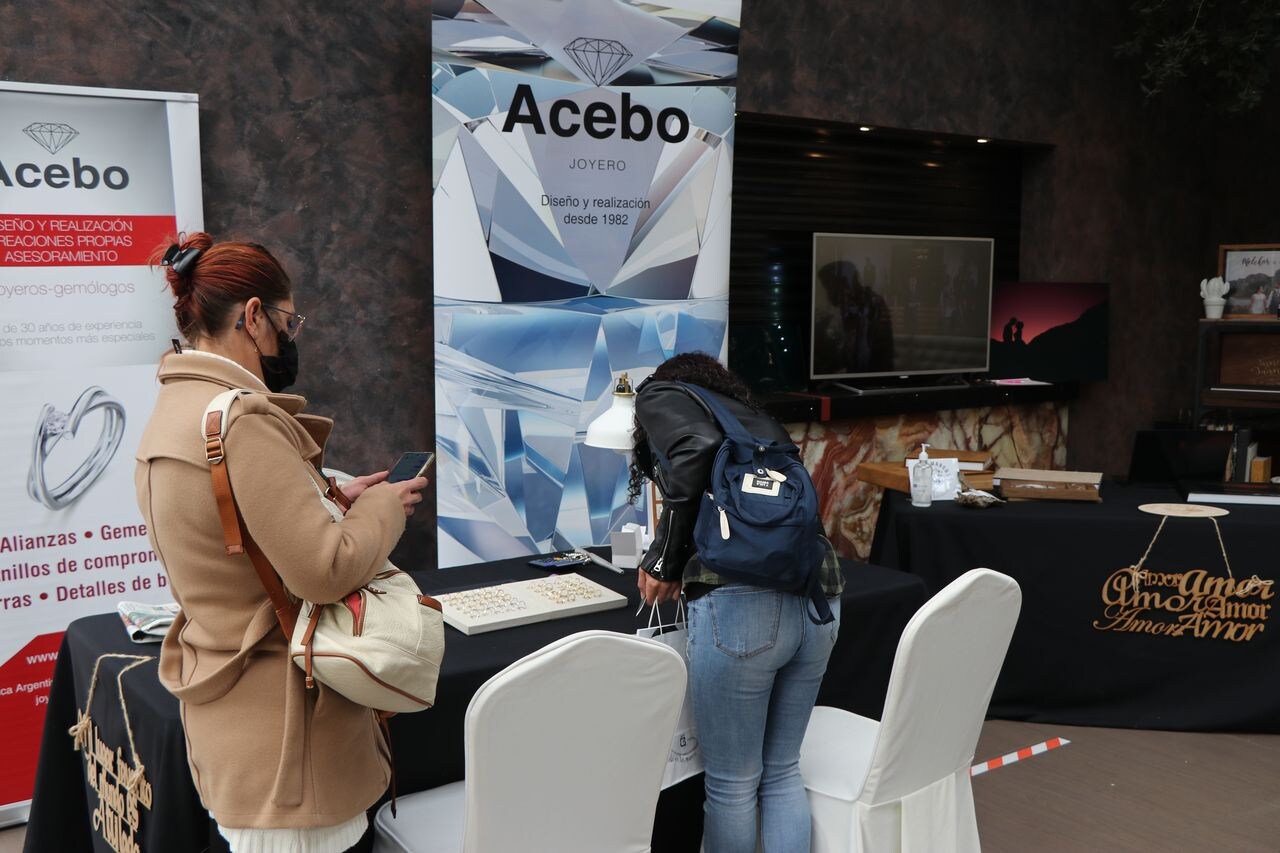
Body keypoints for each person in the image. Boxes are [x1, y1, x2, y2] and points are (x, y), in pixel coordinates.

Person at [134, 233, 428, 853]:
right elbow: (325, 570)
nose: (290, 337)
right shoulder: (240, 420)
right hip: (292, 745)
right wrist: (379, 508)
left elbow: (239, 539)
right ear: (251, 316)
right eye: (287, 321)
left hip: (233, 731)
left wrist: (330, 502)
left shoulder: (173, 408)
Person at [628, 352, 844, 853]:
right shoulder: (753, 417)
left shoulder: (660, 395)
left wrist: (664, 558)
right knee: (782, 771)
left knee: (732, 784)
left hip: (743, 603)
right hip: (820, 596)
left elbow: (697, 447)